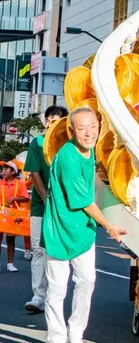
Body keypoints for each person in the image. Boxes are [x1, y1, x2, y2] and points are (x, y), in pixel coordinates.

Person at [43, 107, 127, 343]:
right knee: (57, 289)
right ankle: (57, 337)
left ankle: (76, 332)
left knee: (87, 281)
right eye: (81, 129)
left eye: (93, 127)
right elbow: (84, 202)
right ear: (71, 131)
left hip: (84, 232)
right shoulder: (68, 158)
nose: (88, 133)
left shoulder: (89, 152)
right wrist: (109, 225)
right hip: (59, 231)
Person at [24, 105, 68, 312]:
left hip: (65, 207)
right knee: (38, 249)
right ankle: (38, 296)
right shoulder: (38, 142)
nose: (50, 124)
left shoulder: (70, 144)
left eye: (55, 121)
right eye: (48, 120)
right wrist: (45, 198)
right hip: (40, 207)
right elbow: (34, 172)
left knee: (57, 251)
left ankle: (54, 296)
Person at [1, 160, 30, 272]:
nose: (3, 171)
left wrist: (14, 199)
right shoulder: (0, 183)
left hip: (12, 216)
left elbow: (26, 198)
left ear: (13, 172)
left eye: (6, 169)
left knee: (10, 240)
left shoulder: (20, 184)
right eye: (3, 169)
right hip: (1, 214)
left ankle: (10, 264)